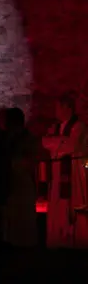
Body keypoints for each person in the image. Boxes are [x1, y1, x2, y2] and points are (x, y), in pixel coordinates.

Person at [46, 93, 88, 247]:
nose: (55, 111)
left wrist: (56, 142)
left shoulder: (79, 127)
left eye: (58, 107)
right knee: (58, 210)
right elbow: (46, 143)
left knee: (72, 209)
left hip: (73, 175)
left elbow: (72, 146)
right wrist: (59, 142)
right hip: (57, 176)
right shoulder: (56, 127)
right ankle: (58, 241)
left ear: (67, 108)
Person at [0, 107, 42, 248]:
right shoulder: (5, 138)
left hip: (22, 184)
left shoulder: (28, 139)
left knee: (23, 223)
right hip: (10, 185)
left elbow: (30, 161)